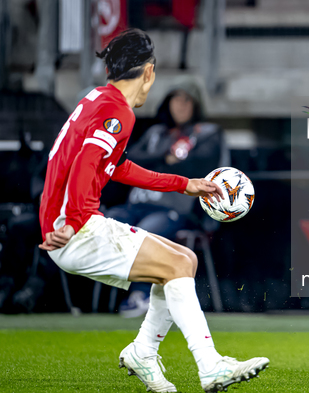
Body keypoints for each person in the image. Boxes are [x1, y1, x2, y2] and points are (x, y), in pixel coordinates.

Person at [39, 29, 268, 393]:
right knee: (177, 266)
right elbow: (85, 163)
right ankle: (210, 366)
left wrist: (184, 183)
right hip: (76, 230)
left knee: (185, 260)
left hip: (71, 224)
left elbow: (119, 167)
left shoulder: (98, 99)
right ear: (148, 72)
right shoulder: (118, 112)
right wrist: (71, 223)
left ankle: (143, 351)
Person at [106, 82, 229, 317]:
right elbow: (128, 159)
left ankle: (141, 294)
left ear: (196, 104)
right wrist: (164, 158)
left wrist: (155, 163)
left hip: (176, 209)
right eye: (175, 99)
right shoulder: (155, 133)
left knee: (145, 232)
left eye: (186, 100)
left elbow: (199, 165)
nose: (180, 105)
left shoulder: (206, 133)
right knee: (107, 222)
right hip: (137, 204)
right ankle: (94, 297)